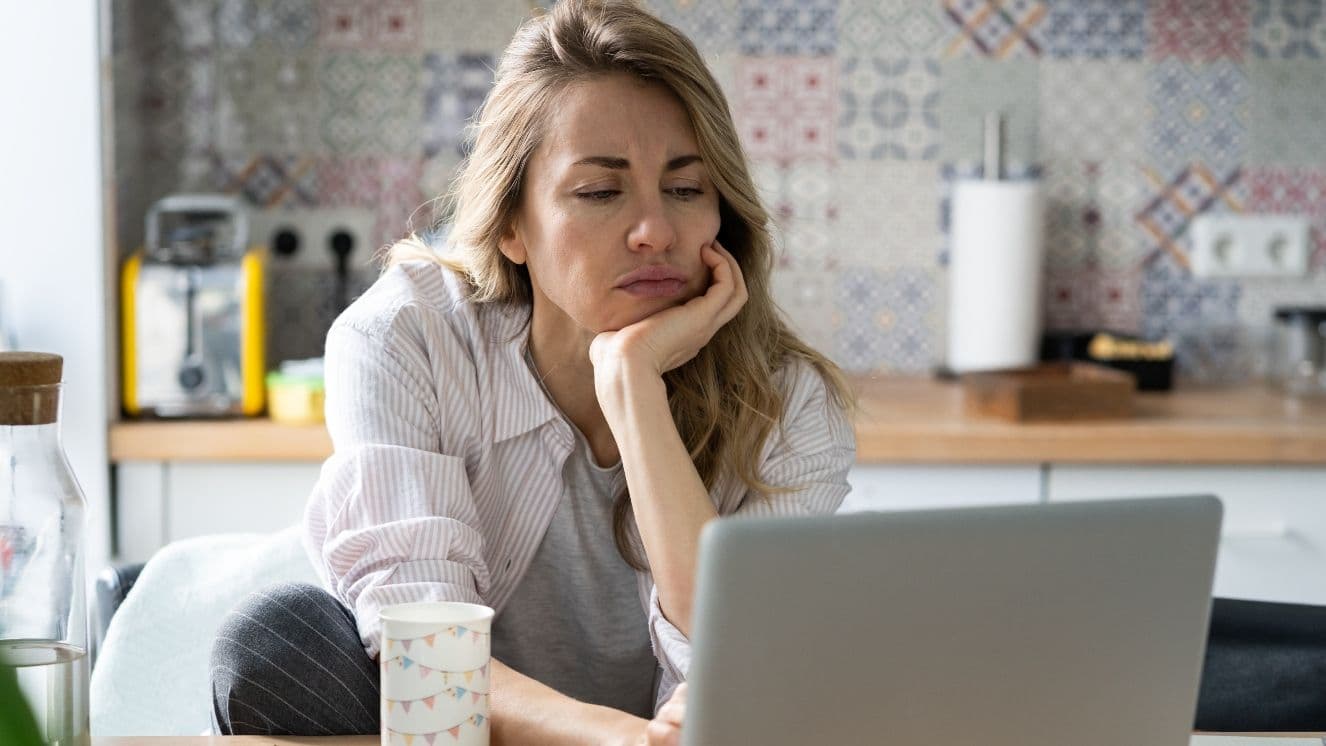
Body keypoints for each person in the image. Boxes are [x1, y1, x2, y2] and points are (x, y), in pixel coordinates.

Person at [209, 1, 856, 743]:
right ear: (511, 224)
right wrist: (620, 737)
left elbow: (741, 663)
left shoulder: (788, 402)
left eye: (686, 189)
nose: (655, 231)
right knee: (277, 639)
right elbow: (427, 654)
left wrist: (632, 387)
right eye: (600, 192)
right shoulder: (405, 336)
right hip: (465, 731)